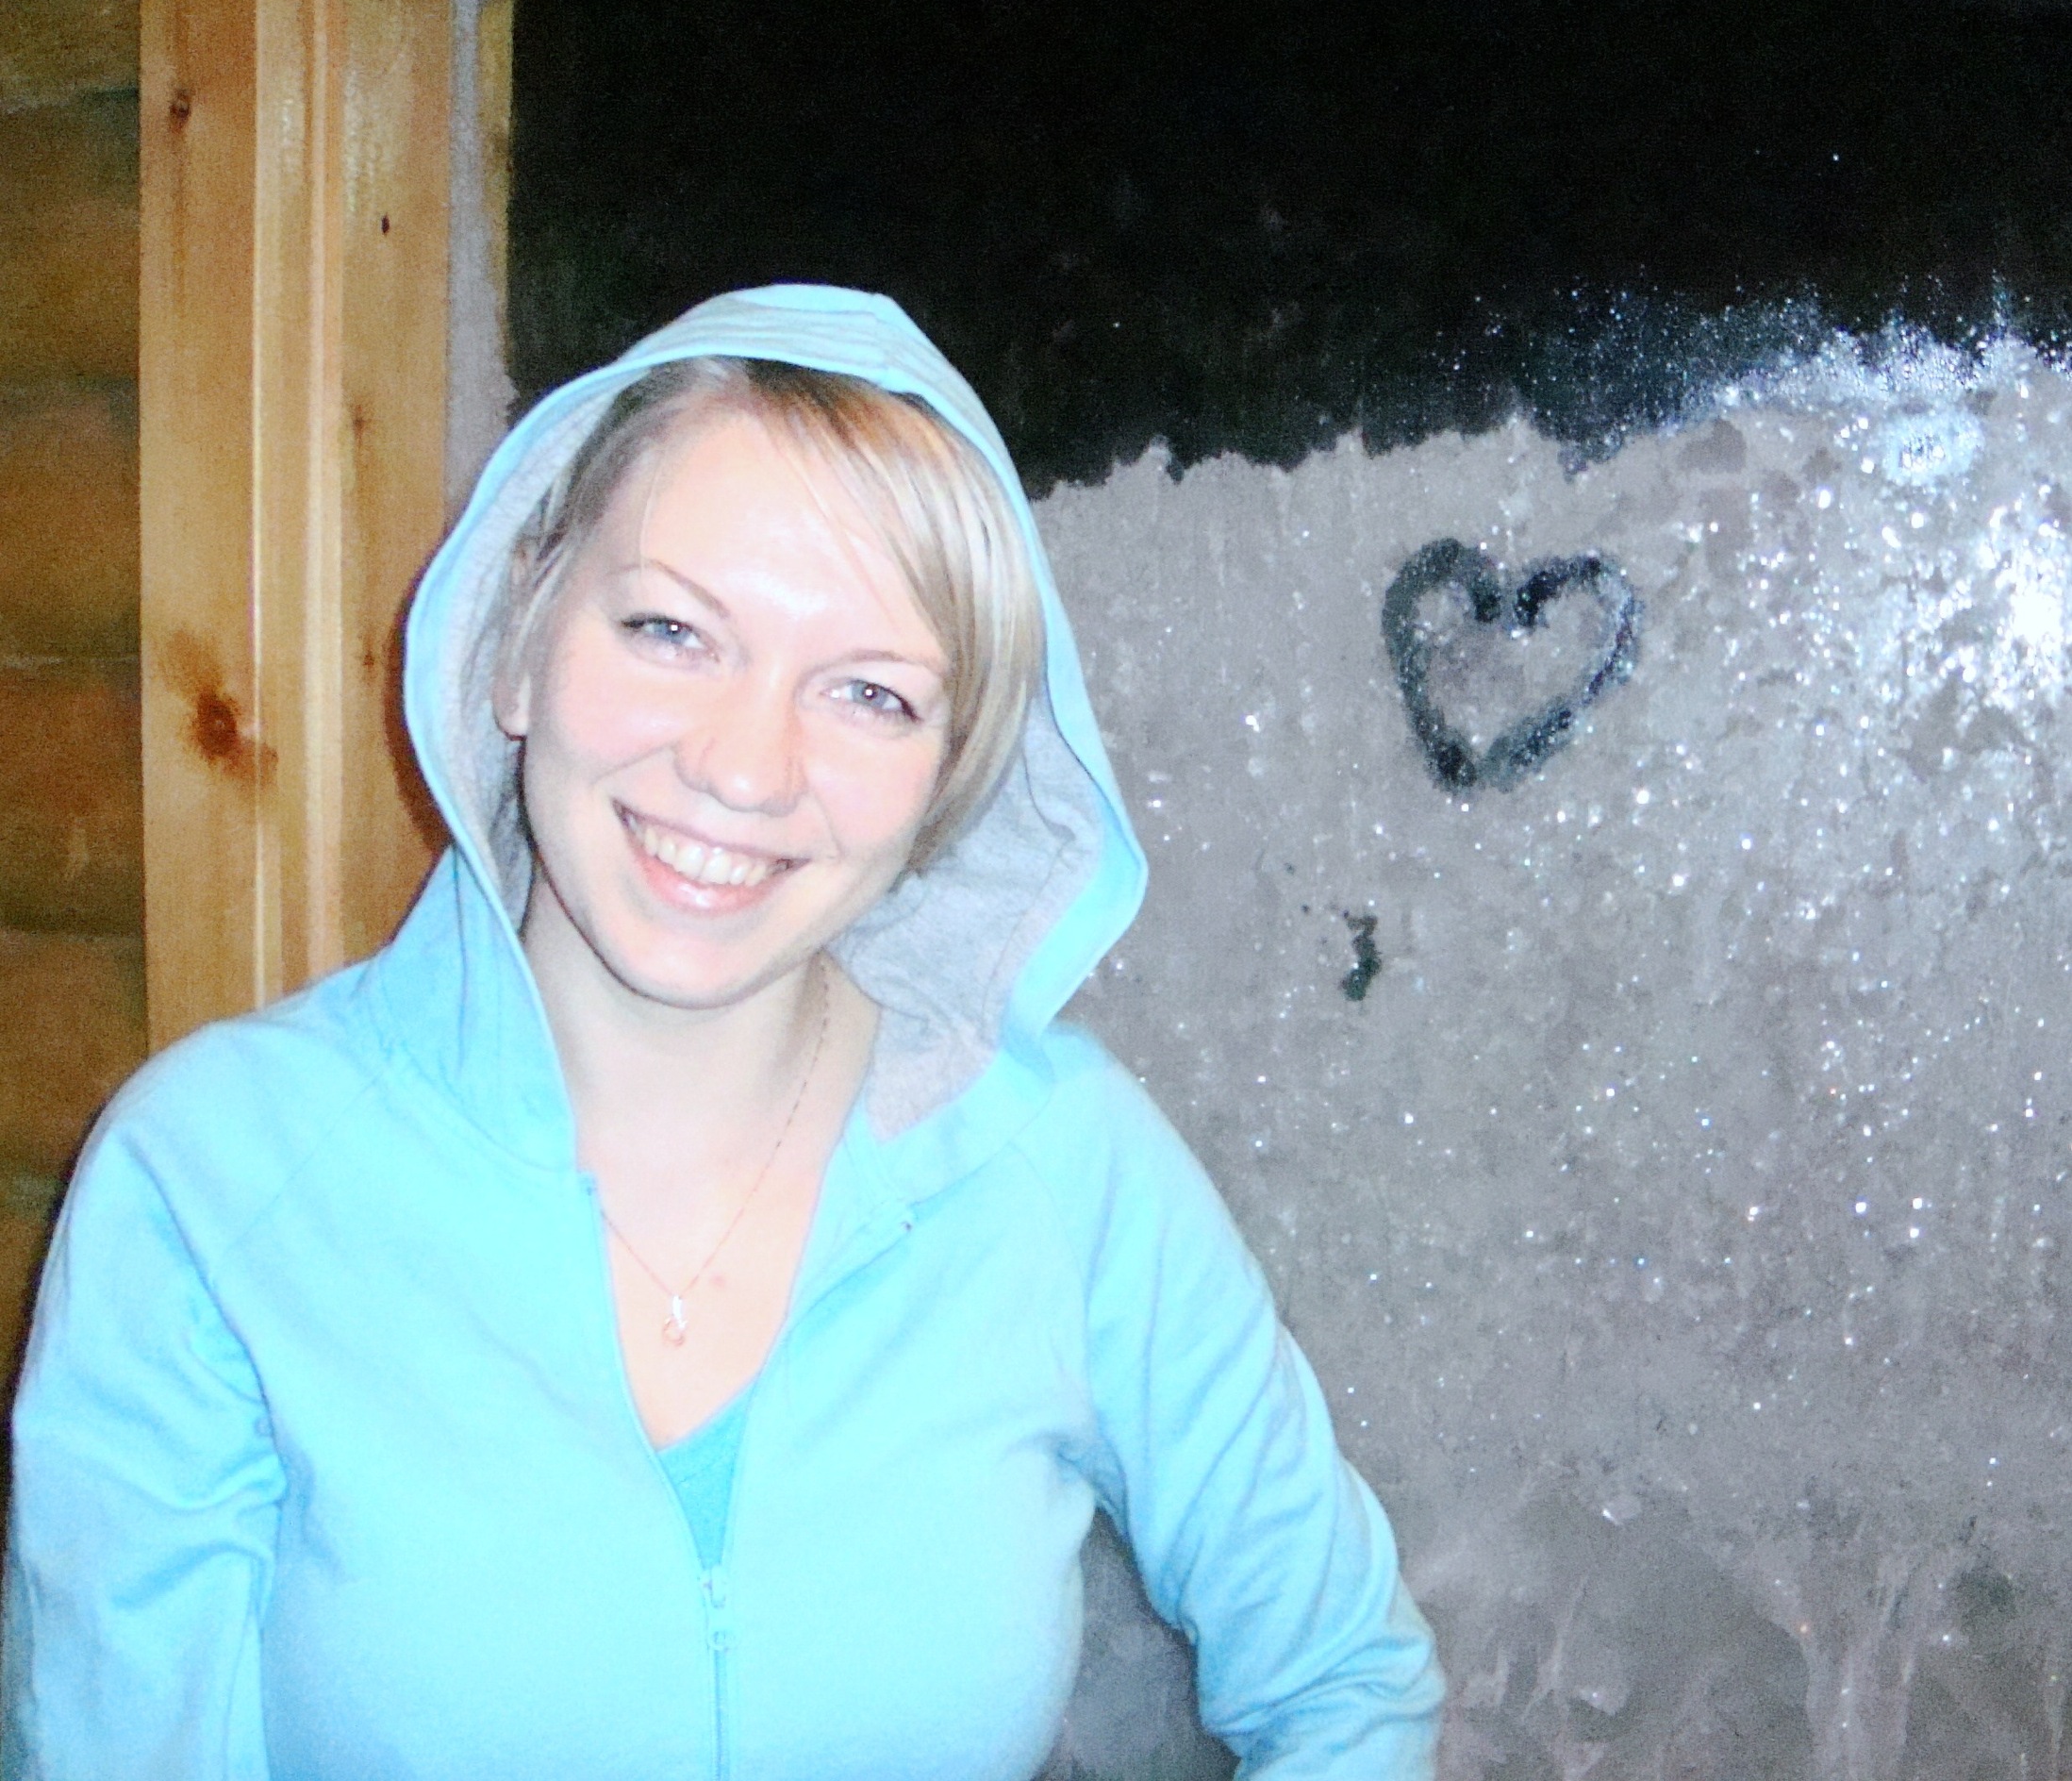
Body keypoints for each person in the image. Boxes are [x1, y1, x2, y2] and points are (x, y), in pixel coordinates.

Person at [4, 285, 1442, 1778]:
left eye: (870, 693)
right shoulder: (213, 1182)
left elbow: (1346, 1685)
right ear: (515, 641)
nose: (745, 769)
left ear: (947, 778)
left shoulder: (1065, 1171)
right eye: (671, 630)